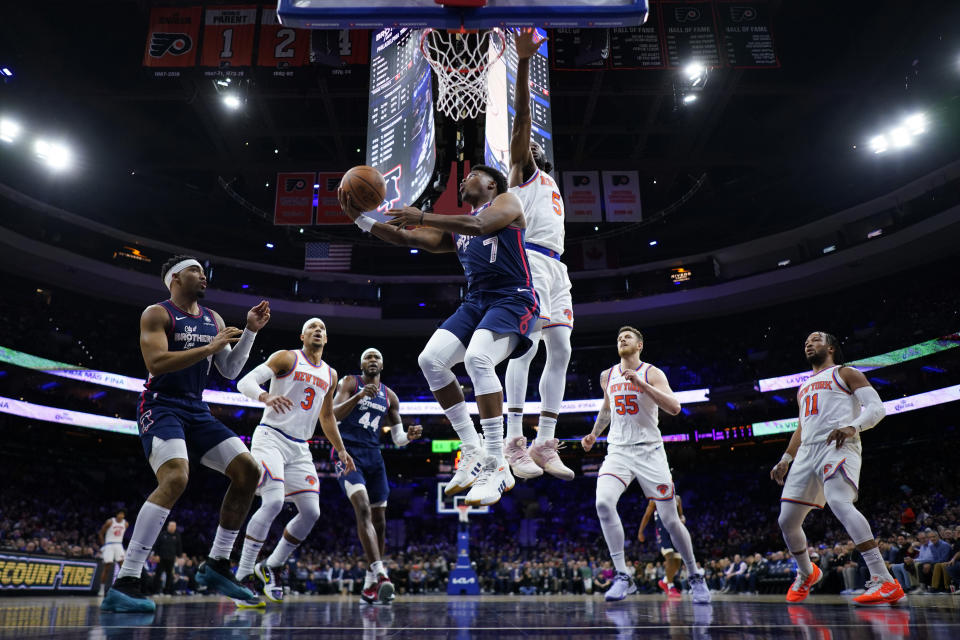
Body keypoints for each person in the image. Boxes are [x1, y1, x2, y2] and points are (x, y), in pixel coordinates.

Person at [339, 164, 537, 507]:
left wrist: (424, 215)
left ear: (491, 183)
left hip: (512, 296)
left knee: (478, 358)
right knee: (430, 360)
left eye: (471, 176)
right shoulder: (458, 230)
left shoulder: (508, 202)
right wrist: (359, 218)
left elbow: (478, 224)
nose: (463, 180)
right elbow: (405, 236)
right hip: (477, 302)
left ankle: (497, 461)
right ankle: (471, 447)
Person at [101, 255, 268, 613]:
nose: (203, 276)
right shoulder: (157, 313)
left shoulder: (214, 319)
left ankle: (217, 565)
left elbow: (229, 370)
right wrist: (208, 347)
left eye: (204, 272)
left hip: (196, 408)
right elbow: (156, 363)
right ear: (175, 277)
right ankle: (126, 581)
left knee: (249, 472)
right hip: (160, 406)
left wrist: (250, 332)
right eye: (196, 270)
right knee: (176, 476)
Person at [771, 331, 903, 605]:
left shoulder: (846, 373)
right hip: (807, 451)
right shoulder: (803, 386)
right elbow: (801, 427)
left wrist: (852, 426)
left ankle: (884, 579)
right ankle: (807, 572)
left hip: (839, 442)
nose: (808, 343)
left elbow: (877, 408)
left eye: (815, 339)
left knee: (840, 503)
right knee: (787, 520)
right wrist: (785, 459)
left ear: (831, 347)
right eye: (805, 341)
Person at [581, 326, 711, 604]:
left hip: (650, 452)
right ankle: (622, 575)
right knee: (603, 503)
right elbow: (607, 409)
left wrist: (642, 385)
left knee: (670, 520)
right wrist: (595, 433)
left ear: (639, 345)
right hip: (618, 451)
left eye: (627, 337)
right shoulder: (608, 375)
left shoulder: (652, 373)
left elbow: (674, 407)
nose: (621, 340)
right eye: (618, 338)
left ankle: (695, 574)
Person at [234, 318, 356, 605]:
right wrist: (265, 396)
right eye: (312, 326)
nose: (318, 330)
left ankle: (271, 566)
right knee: (274, 502)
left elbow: (326, 417)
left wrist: (340, 449)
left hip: (300, 448)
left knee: (311, 512)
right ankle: (241, 577)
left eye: (323, 328)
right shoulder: (286, 357)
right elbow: (244, 382)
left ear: (326, 339)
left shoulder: (331, 373)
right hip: (271, 437)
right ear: (302, 335)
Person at [501, 29, 575, 482]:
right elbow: (522, 120)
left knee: (562, 347)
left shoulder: (549, 182)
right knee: (526, 349)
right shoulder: (520, 172)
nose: (529, 145)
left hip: (557, 267)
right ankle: (513, 438)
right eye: (524, 145)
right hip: (529, 261)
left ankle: (546, 441)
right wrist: (525, 62)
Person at [332, 347, 422, 604]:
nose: (372, 360)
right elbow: (333, 414)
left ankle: (371, 582)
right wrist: (359, 396)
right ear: (361, 364)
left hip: (374, 457)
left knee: (380, 521)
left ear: (382, 365)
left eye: (377, 357)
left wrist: (410, 436)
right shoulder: (350, 382)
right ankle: (381, 574)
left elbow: (398, 438)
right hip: (348, 454)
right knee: (362, 509)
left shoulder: (390, 396)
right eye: (368, 357)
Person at [638, 496, 683, 597]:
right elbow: (647, 515)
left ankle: (665, 581)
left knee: (677, 563)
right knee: (670, 558)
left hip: (674, 531)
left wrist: (682, 519)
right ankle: (671, 587)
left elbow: (681, 515)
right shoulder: (655, 498)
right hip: (662, 531)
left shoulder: (677, 498)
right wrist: (640, 531)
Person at [97, 510, 128, 596]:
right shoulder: (110, 522)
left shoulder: (126, 523)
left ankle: (122, 588)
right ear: (116, 514)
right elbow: (100, 533)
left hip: (118, 545)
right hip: (109, 545)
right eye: (120, 514)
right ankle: (102, 589)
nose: (121, 516)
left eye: (123, 514)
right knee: (107, 567)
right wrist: (104, 545)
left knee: (123, 567)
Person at [153, 521, 182, 595]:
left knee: (169, 576)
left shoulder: (177, 535)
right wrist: (156, 555)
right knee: (158, 575)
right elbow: (157, 545)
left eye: (174, 526)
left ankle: (167, 591)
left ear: (175, 527)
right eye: (171, 526)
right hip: (161, 558)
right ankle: (156, 591)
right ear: (168, 526)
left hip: (171, 559)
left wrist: (179, 556)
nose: (172, 527)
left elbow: (179, 547)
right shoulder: (162, 534)